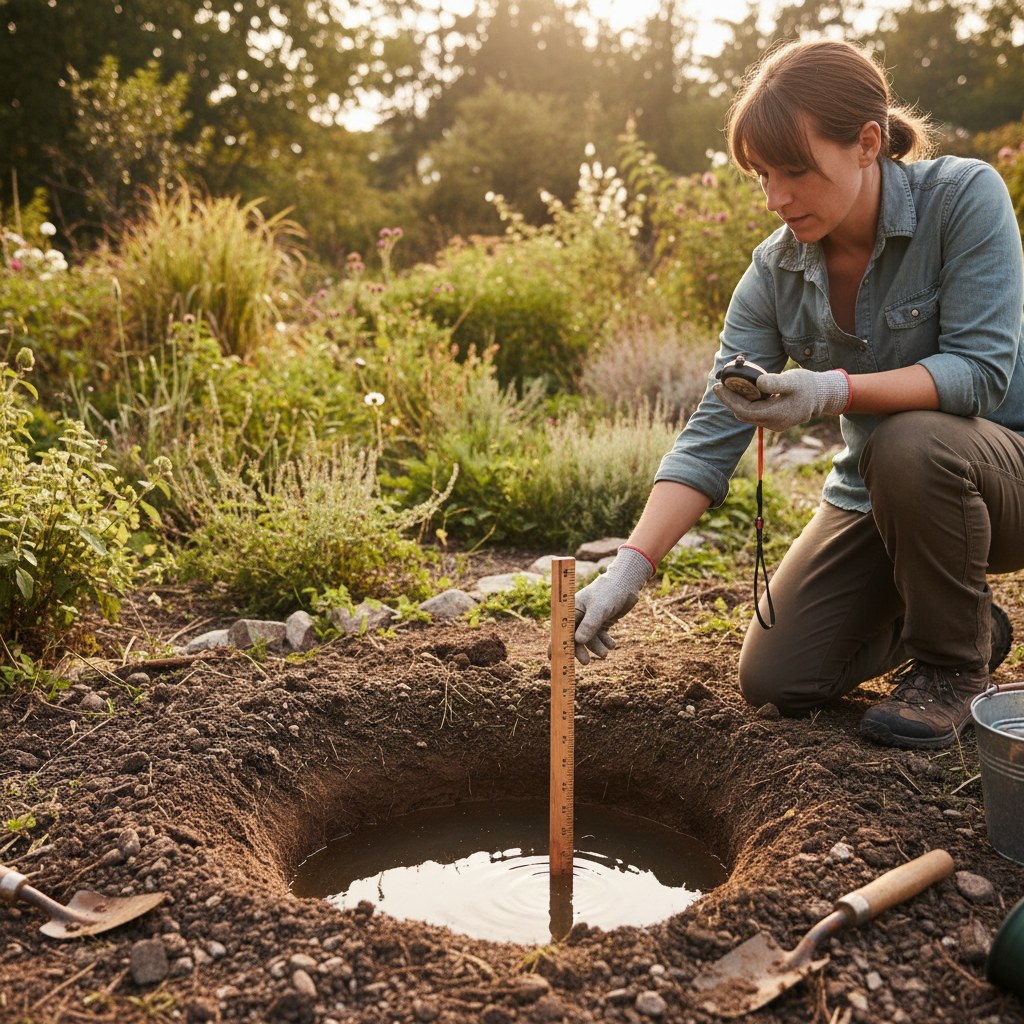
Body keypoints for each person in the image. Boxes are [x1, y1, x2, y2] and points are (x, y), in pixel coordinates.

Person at [573, 38, 1024, 751]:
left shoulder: (963, 199)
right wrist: (632, 566)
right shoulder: (774, 271)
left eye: (795, 171)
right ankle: (968, 623)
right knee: (777, 679)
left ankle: (952, 666)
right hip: (884, 495)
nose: (776, 198)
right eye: (761, 176)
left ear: (867, 144)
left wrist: (830, 390)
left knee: (910, 440)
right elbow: (716, 426)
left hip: (1002, 479)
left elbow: (980, 374)